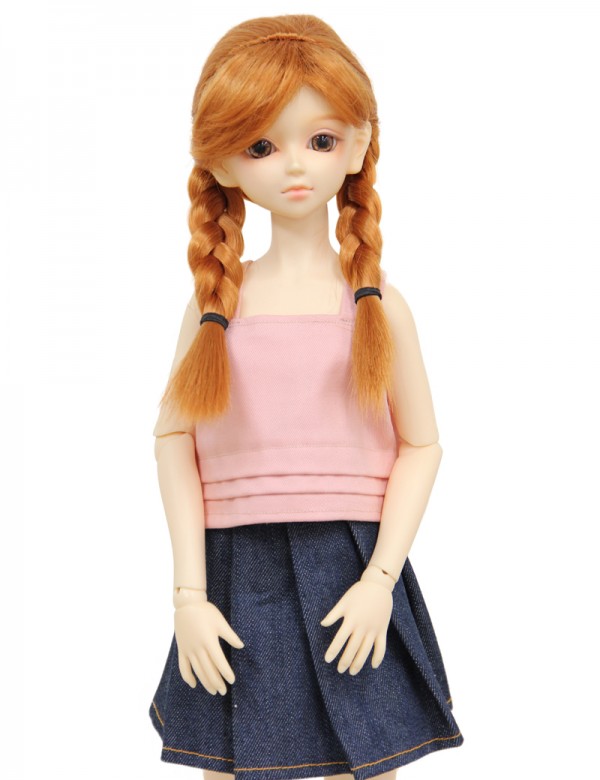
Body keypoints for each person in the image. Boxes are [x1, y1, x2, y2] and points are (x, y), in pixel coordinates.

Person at [148, 14, 464, 780]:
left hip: (352, 567)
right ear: (220, 162)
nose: (294, 164)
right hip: (236, 567)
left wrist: (380, 579)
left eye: (320, 139)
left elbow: (422, 445)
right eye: (260, 145)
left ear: (357, 145)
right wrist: (189, 593)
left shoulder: (379, 307)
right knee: (233, 758)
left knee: (369, 755)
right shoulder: (216, 307)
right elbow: (173, 440)